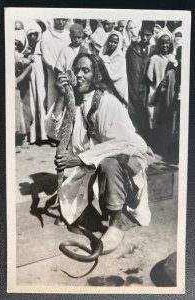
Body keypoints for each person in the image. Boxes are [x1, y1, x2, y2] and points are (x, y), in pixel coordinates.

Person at [45, 53, 154, 254]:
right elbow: (53, 132)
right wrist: (61, 95)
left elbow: (122, 143)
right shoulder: (74, 102)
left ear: (96, 75)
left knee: (109, 163)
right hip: (90, 165)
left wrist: (79, 158)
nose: (79, 75)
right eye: (76, 70)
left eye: (85, 70)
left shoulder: (109, 102)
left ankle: (116, 224)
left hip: (122, 161)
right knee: (74, 217)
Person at [126, 20, 155, 137]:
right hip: (132, 83)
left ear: (151, 36)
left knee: (143, 109)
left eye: (148, 35)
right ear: (140, 33)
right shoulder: (132, 48)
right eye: (143, 34)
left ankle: (141, 136)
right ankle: (131, 133)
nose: (145, 37)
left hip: (145, 85)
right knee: (131, 107)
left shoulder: (153, 50)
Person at [146, 28, 176, 129]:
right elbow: (149, 78)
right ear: (158, 45)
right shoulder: (154, 59)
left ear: (170, 43)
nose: (165, 45)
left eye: (167, 43)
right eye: (162, 43)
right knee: (155, 119)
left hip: (169, 93)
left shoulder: (173, 59)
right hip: (156, 94)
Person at [41, 19, 70, 112]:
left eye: (63, 20)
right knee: (53, 101)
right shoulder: (46, 35)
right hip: (53, 73)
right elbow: (46, 55)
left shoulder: (68, 34)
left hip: (68, 73)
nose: (61, 22)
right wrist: (56, 69)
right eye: (58, 19)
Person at [25, 20, 47, 144]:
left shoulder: (40, 47)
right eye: (30, 34)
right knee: (32, 102)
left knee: (41, 99)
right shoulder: (26, 48)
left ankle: (43, 134)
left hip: (40, 73)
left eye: (35, 34)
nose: (32, 36)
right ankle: (33, 136)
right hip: (30, 74)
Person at [15, 29, 33, 152]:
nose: (14, 45)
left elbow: (29, 65)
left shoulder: (18, 55)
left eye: (16, 43)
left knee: (19, 113)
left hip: (16, 87)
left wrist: (18, 79)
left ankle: (21, 140)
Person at [100, 30, 128, 103]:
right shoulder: (105, 54)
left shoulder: (120, 57)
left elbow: (114, 76)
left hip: (118, 88)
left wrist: (105, 63)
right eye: (111, 41)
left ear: (119, 44)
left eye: (115, 42)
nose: (112, 44)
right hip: (106, 87)